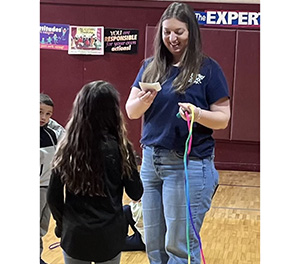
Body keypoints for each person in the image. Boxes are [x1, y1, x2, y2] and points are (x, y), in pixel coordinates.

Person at [125, 2, 230, 264]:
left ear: (191, 33)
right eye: (167, 32)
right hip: (151, 163)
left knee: (179, 246)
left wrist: (198, 114)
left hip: (188, 164)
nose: (172, 38)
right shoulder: (150, 66)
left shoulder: (208, 69)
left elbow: (223, 119)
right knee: (154, 242)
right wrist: (144, 101)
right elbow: (131, 111)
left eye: (179, 32)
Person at [47, 80, 143, 264]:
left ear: (80, 110)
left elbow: (53, 197)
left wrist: (62, 226)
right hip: (109, 235)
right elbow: (136, 192)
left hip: (75, 234)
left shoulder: (67, 148)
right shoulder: (122, 149)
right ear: (114, 112)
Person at [40, 93, 65, 264]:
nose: (43, 117)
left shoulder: (51, 133)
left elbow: (65, 137)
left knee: (42, 226)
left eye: (48, 114)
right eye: (39, 112)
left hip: (48, 186)